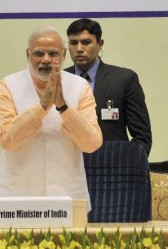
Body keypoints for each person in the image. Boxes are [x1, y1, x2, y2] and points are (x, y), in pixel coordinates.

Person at [0, 26, 102, 209]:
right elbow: (6, 139)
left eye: (53, 53)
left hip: (67, 194)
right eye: (38, 53)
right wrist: (42, 107)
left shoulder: (80, 86)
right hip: (18, 195)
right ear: (28, 55)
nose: (46, 60)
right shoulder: (8, 85)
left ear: (64, 55)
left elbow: (92, 143)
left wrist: (63, 107)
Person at [65, 18, 152, 156]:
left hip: (110, 166)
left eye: (86, 42)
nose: (79, 49)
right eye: (73, 43)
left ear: (100, 44)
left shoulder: (123, 79)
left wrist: (129, 167)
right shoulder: (58, 80)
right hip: (68, 165)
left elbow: (142, 136)